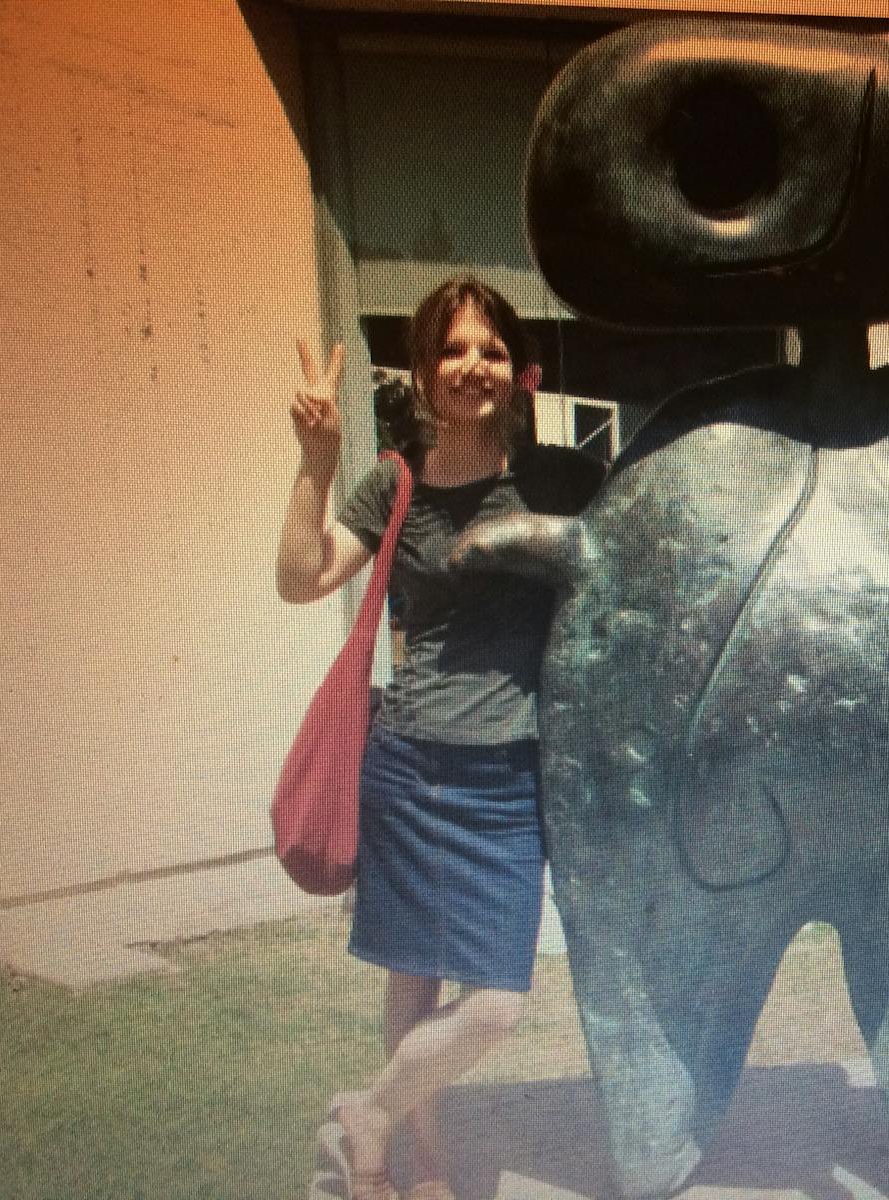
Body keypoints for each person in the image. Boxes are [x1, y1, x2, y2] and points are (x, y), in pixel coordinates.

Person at [276, 275, 603, 1200]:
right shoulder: (396, 483)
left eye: (492, 350)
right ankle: (418, 1161)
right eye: (453, 350)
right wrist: (315, 464)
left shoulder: (557, 479)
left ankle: (365, 1112)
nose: (473, 366)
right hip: (410, 764)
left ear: (521, 371)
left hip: (510, 775)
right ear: (422, 371)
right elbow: (301, 578)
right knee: (411, 979)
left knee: (497, 1003)